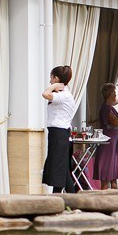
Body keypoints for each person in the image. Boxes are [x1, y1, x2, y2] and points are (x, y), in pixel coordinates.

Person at [41, 65, 76, 193]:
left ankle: (61, 199)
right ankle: (72, 201)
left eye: (51, 78)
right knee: (62, 170)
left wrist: (54, 86)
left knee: (59, 169)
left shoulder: (64, 95)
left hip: (59, 134)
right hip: (58, 134)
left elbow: (45, 94)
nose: (50, 81)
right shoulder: (63, 94)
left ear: (56, 78)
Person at [92, 83, 118, 189]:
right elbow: (116, 121)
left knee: (113, 174)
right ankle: (104, 196)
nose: (115, 94)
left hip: (113, 143)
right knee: (106, 172)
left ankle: (114, 193)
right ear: (110, 93)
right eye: (114, 92)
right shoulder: (106, 108)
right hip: (108, 143)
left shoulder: (110, 107)